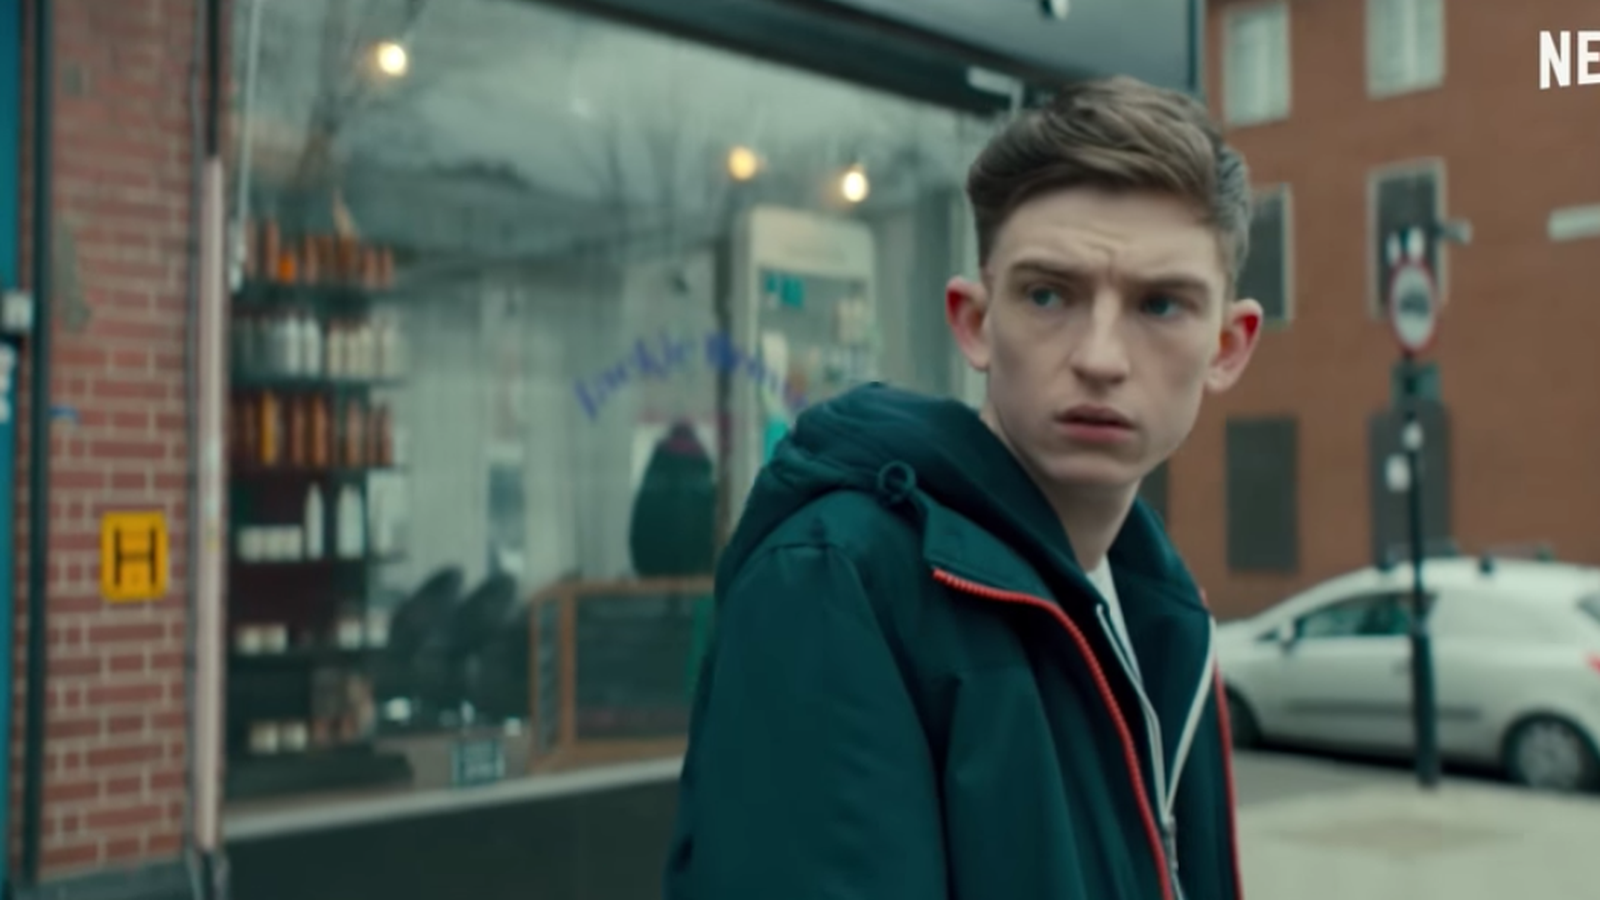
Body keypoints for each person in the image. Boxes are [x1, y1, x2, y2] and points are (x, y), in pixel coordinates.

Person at [664, 75, 1264, 900]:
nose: (1100, 357)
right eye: (1048, 294)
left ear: (1228, 347)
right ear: (976, 323)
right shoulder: (838, 580)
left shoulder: (1154, 605)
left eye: (1160, 305)